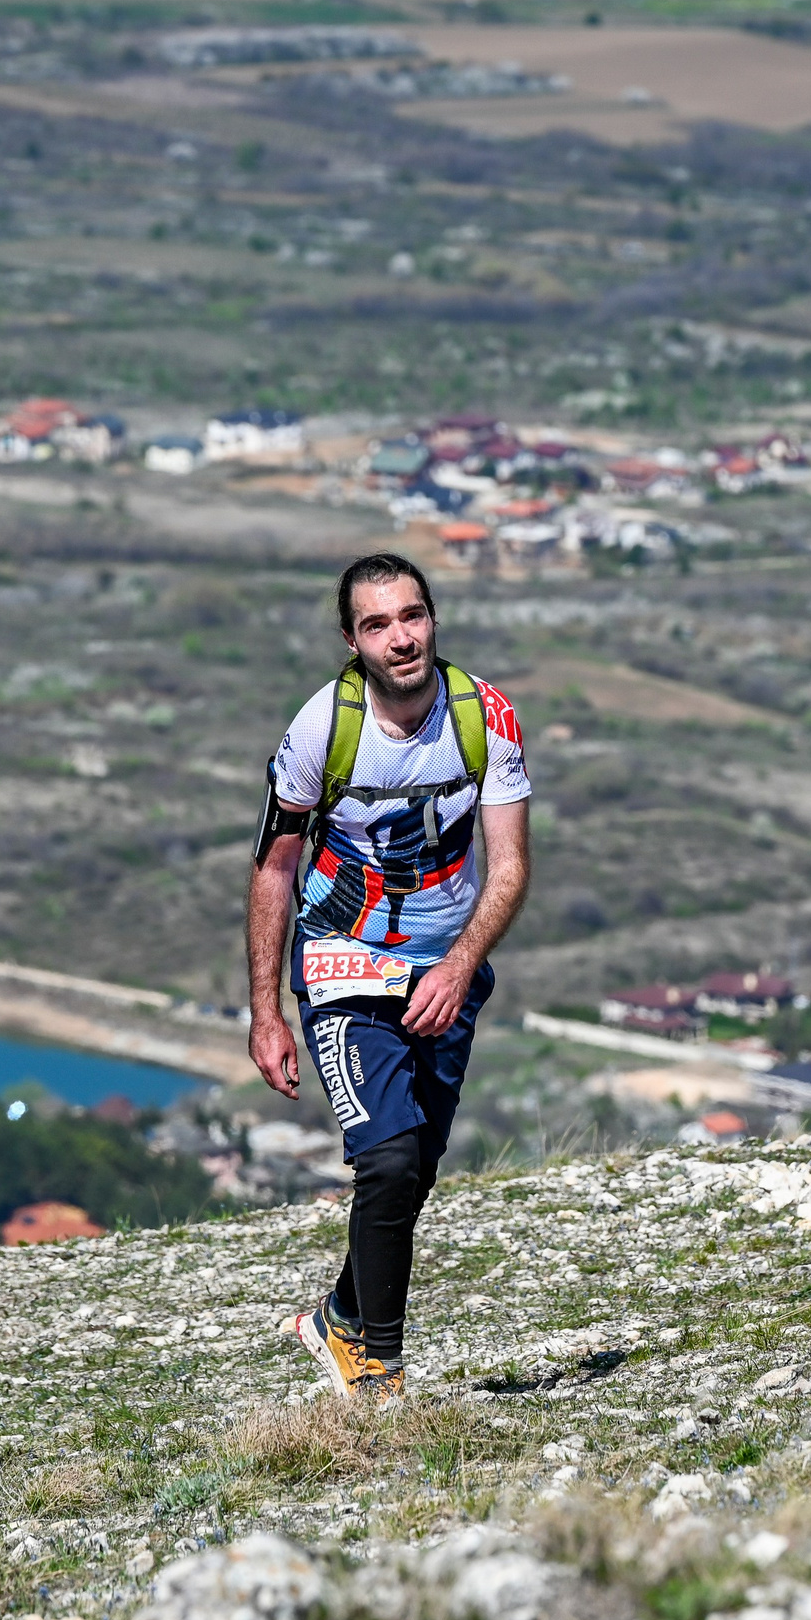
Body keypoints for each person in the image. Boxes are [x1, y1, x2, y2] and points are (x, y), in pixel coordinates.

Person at [248, 553, 531, 1402]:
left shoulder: (486, 716)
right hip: (341, 959)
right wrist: (267, 1013)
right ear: (352, 639)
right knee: (391, 1155)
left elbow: (509, 864)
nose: (400, 637)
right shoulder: (319, 730)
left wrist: (461, 961)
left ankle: (338, 1313)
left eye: (411, 616)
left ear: (433, 618)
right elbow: (273, 869)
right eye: (377, 624)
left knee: (415, 1169)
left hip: (446, 963)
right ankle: (377, 1367)